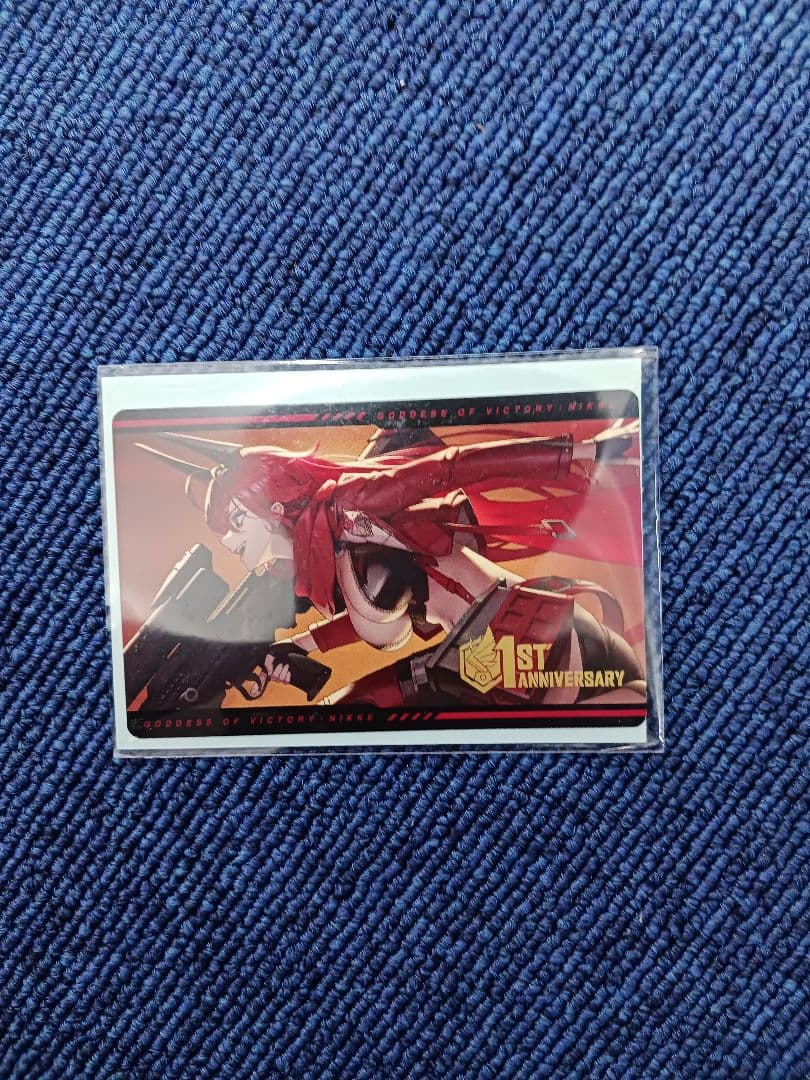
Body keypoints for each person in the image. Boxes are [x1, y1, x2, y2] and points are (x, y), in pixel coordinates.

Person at [138, 425, 645, 706]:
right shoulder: (318, 550)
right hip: (473, 648)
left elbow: (455, 468)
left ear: (270, 505)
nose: (230, 543)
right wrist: (302, 647)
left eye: (235, 523)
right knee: (342, 713)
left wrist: (584, 450)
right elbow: (389, 608)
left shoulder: (350, 509)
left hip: (523, 634)